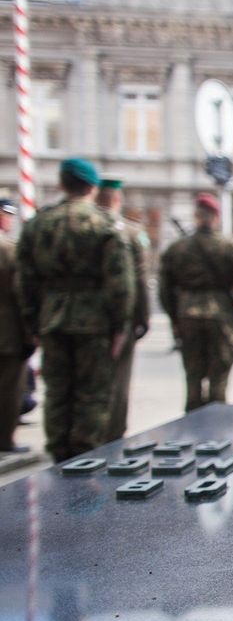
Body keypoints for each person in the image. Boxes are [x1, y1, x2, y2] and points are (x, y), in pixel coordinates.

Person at [16, 158, 135, 461]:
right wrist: (120, 326)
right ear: (93, 188)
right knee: (92, 395)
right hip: (95, 323)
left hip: (52, 319)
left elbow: (25, 280)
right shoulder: (105, 225)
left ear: (62, 184)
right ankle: (85, 462)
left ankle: (58, 458)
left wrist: (32, 322)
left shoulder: (38, 225)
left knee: (57, 393)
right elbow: (120, 283)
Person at [159, 193, 233, 412]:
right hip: (221, 313)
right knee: (219, 374)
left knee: (192, 374)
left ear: (196, 216)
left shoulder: (177, 248)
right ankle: (216, 423)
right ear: (216, 217)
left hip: (187, 314)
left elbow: (164, 290)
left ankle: (192, 421)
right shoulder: (230, 247)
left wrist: (175, 317)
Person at [96, 178, 151, 442]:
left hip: (59, 319)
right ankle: (111, 441)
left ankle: (69, 448)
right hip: (113, 320)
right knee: (116, 385)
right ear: (117, 199)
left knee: (66, 385)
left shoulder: (46, 224)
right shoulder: (127, 233)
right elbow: (138, 280)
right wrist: (141, 319)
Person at [0, 200, 35, 453]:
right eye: (6, 214)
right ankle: (4, 440)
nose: (9, 219)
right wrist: (30, 333)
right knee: (9, 388)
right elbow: (23, 294)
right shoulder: (9, 250)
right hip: (7, 332)